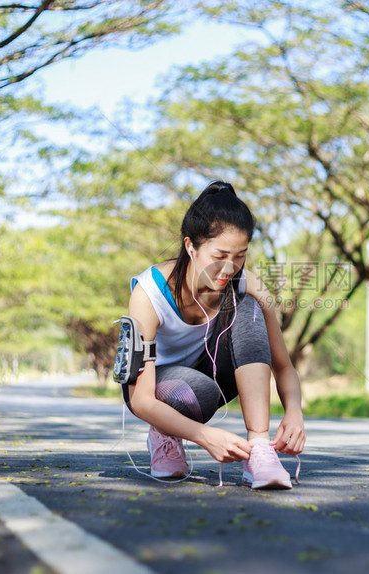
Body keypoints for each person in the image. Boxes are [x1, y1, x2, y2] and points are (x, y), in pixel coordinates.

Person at [122, 181, 305, 489]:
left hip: (215, 378)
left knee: (248, 306)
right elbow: (139, 399)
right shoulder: (148, 293)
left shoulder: (249, 284)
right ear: (190, 246)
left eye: (240, 256)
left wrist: (295, 413)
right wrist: (206, 437)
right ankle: (164, 434)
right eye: (220, 254)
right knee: (197, 390)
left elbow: (283, 366)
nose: (230, 267)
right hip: (161, 390)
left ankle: (259, 450)